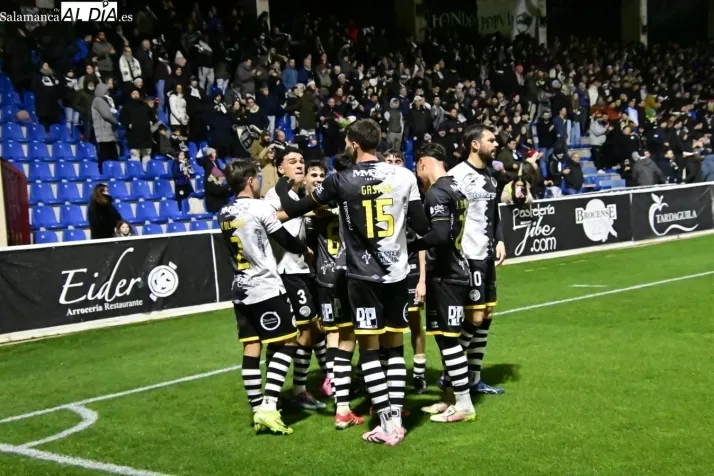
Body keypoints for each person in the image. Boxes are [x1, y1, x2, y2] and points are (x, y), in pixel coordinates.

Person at [273, 119, 429, 446]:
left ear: (354, 144)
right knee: (394, 347)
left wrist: (282, 187)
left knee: (369, 349)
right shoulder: (404, 175)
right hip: (398, 274)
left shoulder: (340, 180)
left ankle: (386, 423)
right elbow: (420, 224)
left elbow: (298, 208)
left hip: (362, 277)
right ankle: (396, 419)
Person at [218, 161, 307, 435]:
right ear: (250, 181)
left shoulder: (224, 212)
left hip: (240, 288)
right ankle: (268, 406)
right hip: (266, 287)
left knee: (252, 346)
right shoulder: (260, 208)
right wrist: (306, 249)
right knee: (289, 341)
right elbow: (285, 240)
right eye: (256, 178)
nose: (258, 181)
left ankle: (257, 408)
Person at [409, 142, 475, 423]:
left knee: (449, 341)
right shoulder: (456, 188)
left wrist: (408, 245)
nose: (418, 175)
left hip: (447, 275)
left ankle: (464, 405)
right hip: (453, 270)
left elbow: (438, 235)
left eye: (417, 169)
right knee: (445, 339)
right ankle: (450, 398)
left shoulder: (436, 192)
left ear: (423, 163)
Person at [303, 158, 365, 429]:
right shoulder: (347, 203)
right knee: (348, 333)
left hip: (323, 276)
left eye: (322, 175)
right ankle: (343, 382)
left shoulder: (313, 208)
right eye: (313, 175)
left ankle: (333, 379)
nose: (318, 179)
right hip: (345, 275)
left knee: (332, 332)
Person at [264, 147, 327, 411]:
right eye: (292, 162)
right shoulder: (274, 195)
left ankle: (288, 390)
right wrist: (301, 213)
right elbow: (267, 219)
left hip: (300, 271)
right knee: (306, 330)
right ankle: (295, 391)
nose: (299, 165)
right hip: (287, 272)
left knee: (306, 331)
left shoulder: (294, 195)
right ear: (280, 168)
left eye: (301, 161)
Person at [448, 124, 507, 395]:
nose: (496, 144)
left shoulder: (492, 177)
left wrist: (500, 239)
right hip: (468, 257)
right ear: (474, 144)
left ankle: (474, 378)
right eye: (491, 140)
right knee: (474, 317)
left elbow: (494, 213)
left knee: (487, 316)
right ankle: (451, 373)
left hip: (486, 257)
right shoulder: (457, 176)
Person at [385, 150, 428, 394]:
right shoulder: (376, 193)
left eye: (397, 161)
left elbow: (422, 240)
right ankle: (388, 374)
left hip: (410, 265)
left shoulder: (412, 195)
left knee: (414, 320)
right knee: (387, 324)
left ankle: (419, 374)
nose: (393, 165)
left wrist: (422, 279)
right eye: (388, 161)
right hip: (386, 267)